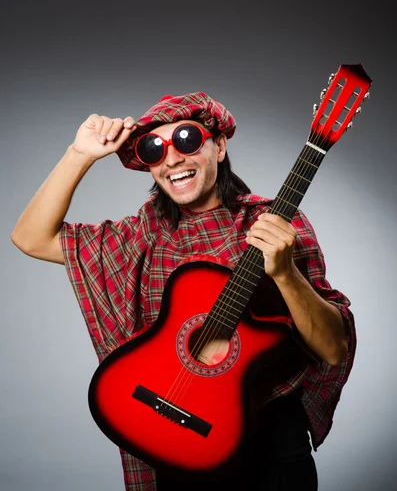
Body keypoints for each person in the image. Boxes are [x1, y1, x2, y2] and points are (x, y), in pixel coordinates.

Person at [11, 92, 356, 491]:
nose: (172, 158)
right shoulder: (141, 236)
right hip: (178, 438)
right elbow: (30, 237)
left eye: (188, 139)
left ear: (220, 145)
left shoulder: (276, 221)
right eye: (154, 148)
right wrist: (79, 153)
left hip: (273, 445)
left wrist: (285, 275)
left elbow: (333, 349)